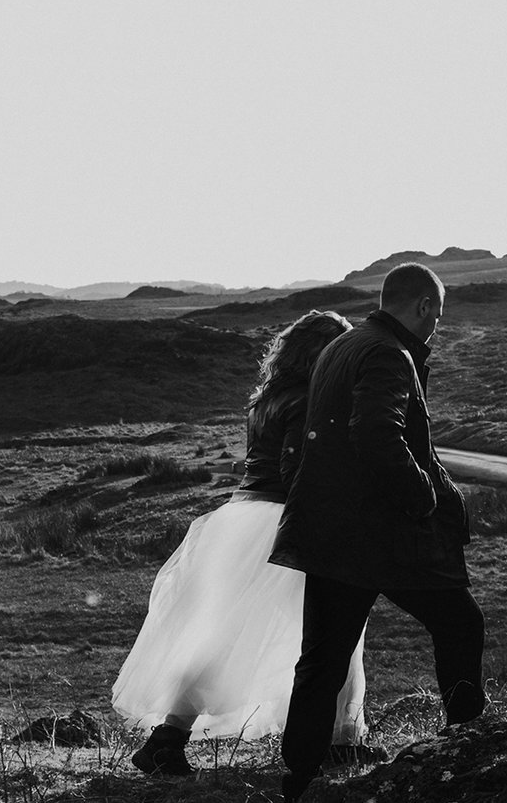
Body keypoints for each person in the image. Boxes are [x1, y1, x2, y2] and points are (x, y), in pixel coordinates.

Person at [112, 309, 370, 775]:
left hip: (240, 518)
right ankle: (340, 740)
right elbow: (299, 473)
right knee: (337, 629)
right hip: (284, 521)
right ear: (325, 354)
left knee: (223, 637)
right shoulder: (312, 398)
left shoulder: (265, 398)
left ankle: (168, 736)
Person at [269, 262, 485, 803]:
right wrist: (424, 497)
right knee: (460, 622)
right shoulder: (390, 354)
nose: (437, 325)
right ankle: (470, 752)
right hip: (380, 536)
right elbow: (377, 432)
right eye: (438, 314)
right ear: (425, 308)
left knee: (321, 660)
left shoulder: (343, 347)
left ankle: (298, 789)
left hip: (328, 532)